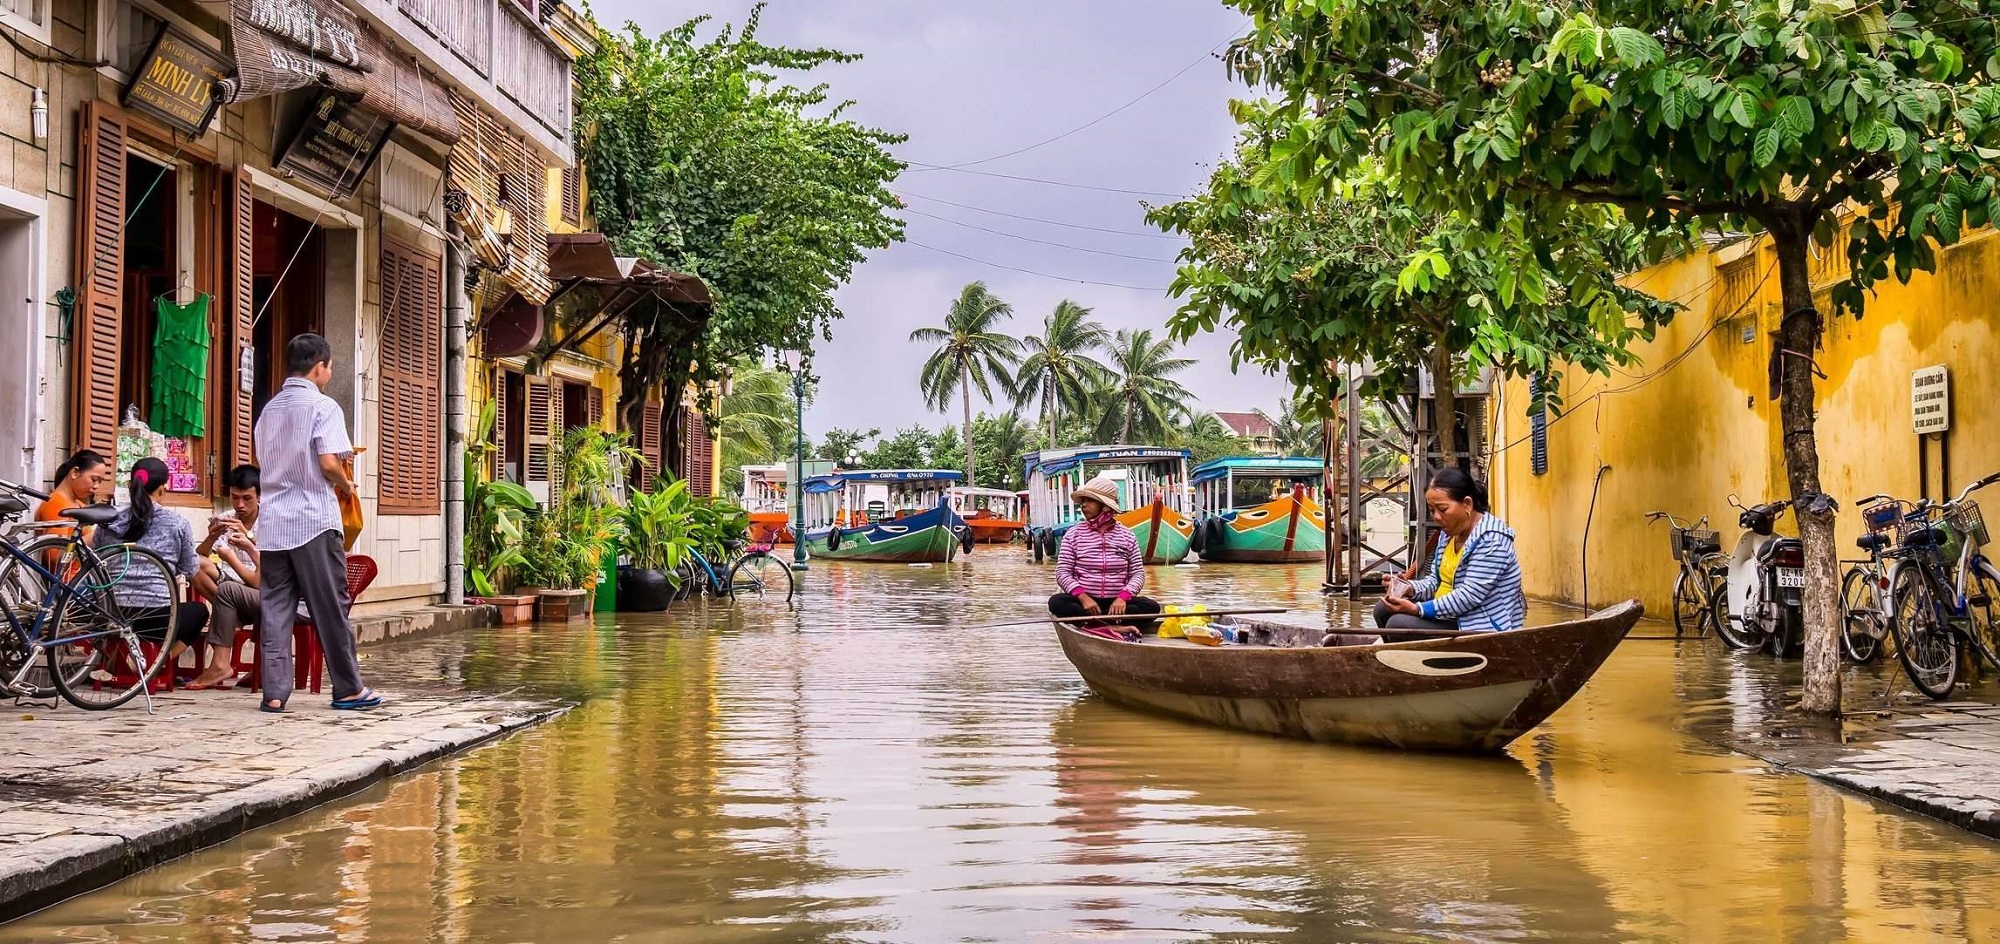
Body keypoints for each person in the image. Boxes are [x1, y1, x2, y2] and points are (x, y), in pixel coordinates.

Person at [254, 333, 378, 713]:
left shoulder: (269, 410)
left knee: (275, 607)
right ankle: (348, 688)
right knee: (329, 605)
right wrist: (347, 483)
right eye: (330, 366)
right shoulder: (323, 407)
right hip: (312, 518)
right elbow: (328, 463)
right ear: (320, 366)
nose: (330, 371)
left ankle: (274, 694)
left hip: (273, 521)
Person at [1375, 468, 1526, 633]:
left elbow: (1469, 596)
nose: (1437, 517)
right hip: (1452, 617)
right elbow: (1436, 582)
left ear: (1467, 504)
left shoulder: (1492, 540)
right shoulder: (1448, 535)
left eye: (1443, 509)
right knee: (1383, 609)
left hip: (1479, 624)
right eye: (1432, 510)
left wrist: (1418, 609)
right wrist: (1408, 588)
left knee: (1399, 624)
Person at [92, 457, 210, 654]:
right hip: (158, 620)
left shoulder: (109, 521)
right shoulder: (177, 523)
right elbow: (190, 569)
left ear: (130, 485)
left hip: (111, 614)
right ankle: (159, 664)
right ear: (163, 489)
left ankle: (117, 660)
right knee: (199, 612)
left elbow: (97, 559)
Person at [1049, 477, 1163, 632]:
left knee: (1151, 607)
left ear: (1105, 507)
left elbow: (1137, 574)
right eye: (1083, 501)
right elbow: (1063, 572)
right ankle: (1112, 627)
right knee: (1056, 602)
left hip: (1116, 604)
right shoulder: (1073, 534)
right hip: (1086, 603)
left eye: (1090, 501)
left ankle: (1097, 625)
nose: (1083, 505)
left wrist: (1123, 597)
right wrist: (1083, 597)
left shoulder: (1127, 536)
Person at [186, 465, 261, 690]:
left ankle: (221, 660)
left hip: (259, 588)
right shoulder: (226, 517)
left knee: (228, 591)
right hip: (231, 584)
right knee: (194, 564)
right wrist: (210, 538)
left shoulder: (272, 521)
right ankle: (231, 616)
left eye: (247, 498)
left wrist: (248, 539)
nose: (240, 505)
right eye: (235, 498)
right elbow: (199, 557)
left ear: (259, 496)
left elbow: (259, 580)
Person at [37, 449, 112, 541]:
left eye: (99, 482)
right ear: (75, 473)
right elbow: (55, 554)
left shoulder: (78, 504)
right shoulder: (56, 504)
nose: (96, 486)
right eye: (94, 479)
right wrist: (96, 537)